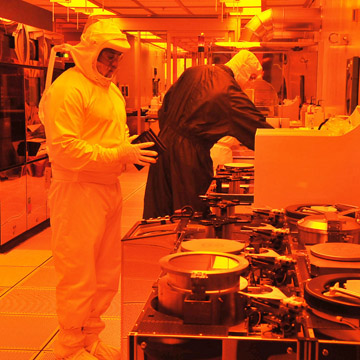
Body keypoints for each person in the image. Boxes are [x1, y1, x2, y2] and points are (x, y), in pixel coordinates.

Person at [39, 18, 157, 360]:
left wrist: (128, 153)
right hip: (77, 191)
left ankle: (90, 335)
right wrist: (119, 153)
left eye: (118, 57)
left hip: (108, 188)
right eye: (109, 56)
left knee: (105, 272)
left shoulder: (108, 92)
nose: (114, 63)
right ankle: (69, 345)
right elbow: (65, 150)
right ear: (91, 52)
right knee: (77, 270)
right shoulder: (68, 87)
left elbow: (111, 139)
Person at [143, 50, 273, 219]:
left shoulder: (192, 72)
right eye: (251, 78)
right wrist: (279, 143)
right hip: (188, 160)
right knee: (190, 215)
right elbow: (256, 128)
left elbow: (164, 110)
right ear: (244, 72)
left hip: (162, 148)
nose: (249, 85)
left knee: (160, 214)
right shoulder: (228, 91)